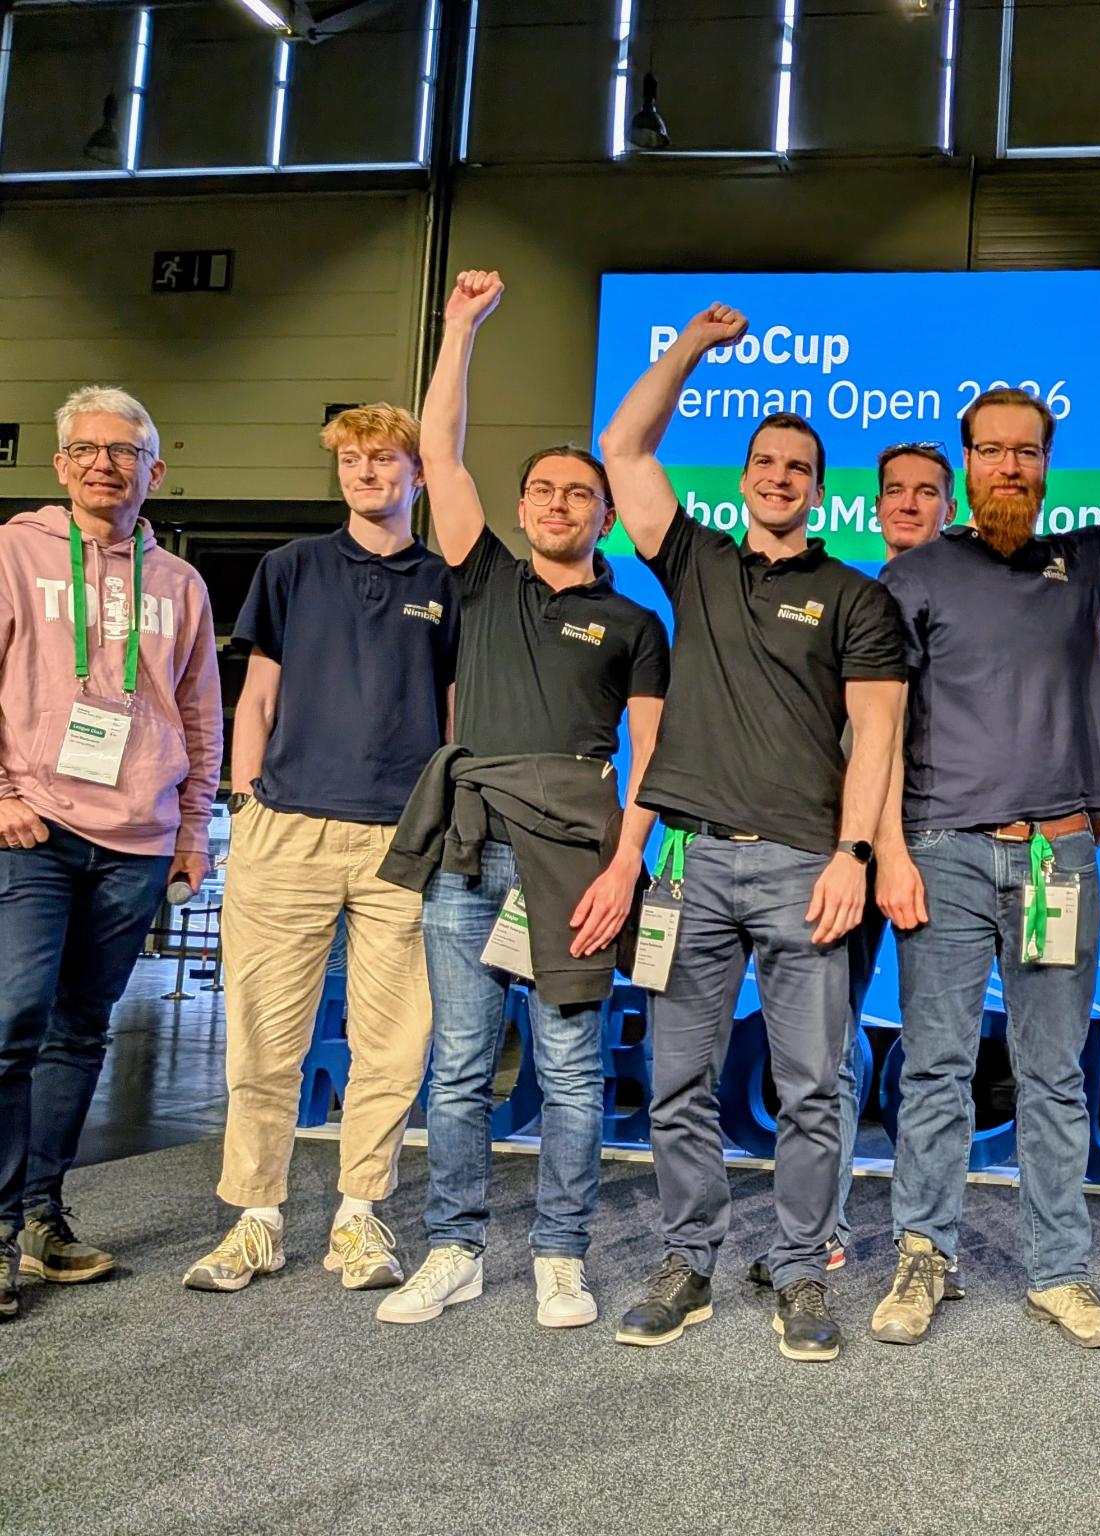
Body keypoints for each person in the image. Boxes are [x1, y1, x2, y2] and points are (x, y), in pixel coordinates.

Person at [868, 321, 1100, 1350]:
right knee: (937, 1066)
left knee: (1051, 1073)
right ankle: (924, 1257)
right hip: (943, 849)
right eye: (991, 449)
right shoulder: (914, 577)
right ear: (966, 463)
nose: (1009, 465)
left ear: (1045, 466)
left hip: (1057, 857)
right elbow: (880, 728)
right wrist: (888, 850)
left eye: (1026, 451)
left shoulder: (1080, 561)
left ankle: (1058, 1271)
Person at [601, 304, 906, 1363]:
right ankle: (688, 1259)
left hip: (800, 869)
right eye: (766, 463)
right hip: (687, 862)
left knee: (810, 1088)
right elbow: (623, 449)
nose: (780, 477)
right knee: (678, 1081)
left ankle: (801, 1265)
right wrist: (687, 348)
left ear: (821, 491)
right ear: (743, 481)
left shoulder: (854, 597)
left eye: (799, 468)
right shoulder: (696, 561)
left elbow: (875, 737)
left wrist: (853, 854)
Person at [371, 270, 669, 1331]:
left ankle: (560, 1256)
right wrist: (459, 326)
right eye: (542, 490)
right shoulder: (484, 575)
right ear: (522, 506)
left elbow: (652, 756)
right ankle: (453, 1249)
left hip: (576, 866)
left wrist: (627, 868)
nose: (557, 504)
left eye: (578, 494)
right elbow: (439, 451)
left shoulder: (635, 625)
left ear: (604, 515)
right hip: (467, 855)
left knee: (571, 1068)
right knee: (458, 1065)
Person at [182, 404, 459, 1297]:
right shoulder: (290, 567)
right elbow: (258, 694)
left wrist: (447, 812)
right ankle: (255, 1219)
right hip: (287, 827)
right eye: (351, 460)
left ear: (418, 473)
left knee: (395, 1041)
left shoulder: (449, 579)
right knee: (263, 1034)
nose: (366, 473)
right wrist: (245, 794)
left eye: (384, 459)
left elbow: (453, 710)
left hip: (403, 836)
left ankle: (358, 1215)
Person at [0, 386, 221, 1320]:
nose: (105, 464)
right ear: (60, 465)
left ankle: (40, 1216)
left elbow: (200, 716)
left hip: (137, 837)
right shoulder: (15, 552)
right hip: (36, 827)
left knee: (81, 1030)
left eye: (124, 451)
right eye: (87, 449)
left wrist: (191, 829)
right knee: (13, 1020)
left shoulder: (180, 584)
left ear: (153, 471)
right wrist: (2, 793)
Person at [746, 440, 958, 1288]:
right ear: (872, 507)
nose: (908, 504)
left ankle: (926, 1246)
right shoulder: (855, 597)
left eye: (926, 492)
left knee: (936, 1057)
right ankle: (819, 1231)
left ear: (951, 507)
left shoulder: (971, 600)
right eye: (894, 491)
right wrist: (863, 848)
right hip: (850, 849)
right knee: (827, 1048)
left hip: (945, 848)